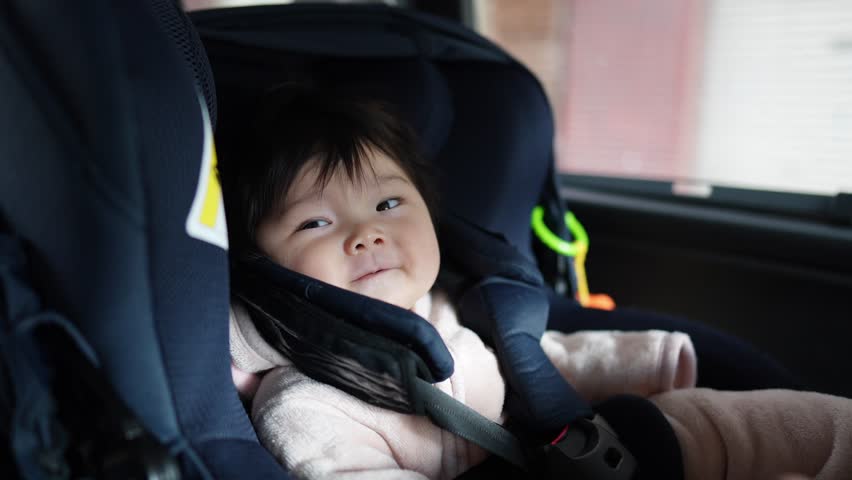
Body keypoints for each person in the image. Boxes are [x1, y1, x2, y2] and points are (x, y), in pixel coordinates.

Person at [221, 84, 851, 480]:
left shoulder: (453, 308)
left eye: (388, 206)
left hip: (552, 447)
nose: (366, 234)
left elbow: (534, 366)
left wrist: (649, 361)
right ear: (262, 265)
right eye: (315, 222)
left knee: (709, 420)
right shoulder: (305, 405)